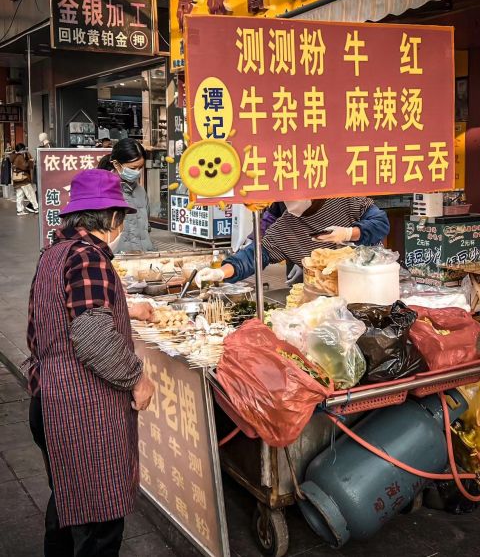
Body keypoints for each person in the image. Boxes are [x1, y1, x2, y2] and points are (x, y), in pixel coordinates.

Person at [26, 168, 155, 557]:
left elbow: (68, 315)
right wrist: (137, 379)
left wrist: (126, 309)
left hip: (49, 399)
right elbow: (91, 333)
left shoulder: (55, 252)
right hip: (82, 410)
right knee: (97, 522)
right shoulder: (89, 257)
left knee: (68, 506)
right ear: (113, 219)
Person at [196, 197, 390, 285]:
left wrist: (349, 234)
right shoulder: (285, 226)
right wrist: (221, 271)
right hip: (326, 297)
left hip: (371, 283)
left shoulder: (345, 201)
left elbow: (381, 223)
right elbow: (254, 255)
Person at [98, 138, 155, 252]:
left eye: (140, 168)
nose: (137, 172)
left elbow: (145, 226)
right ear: (116, 164)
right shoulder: (101, 190)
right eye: (133, 168)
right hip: (115, 259)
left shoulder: (140, 190)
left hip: (142, 256)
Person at [11, 143, 39, 216]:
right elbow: (25, 166)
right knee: (30, 193)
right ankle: (36, 208)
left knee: (19, 195)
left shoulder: (13, 156)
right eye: (24, 149)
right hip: (23, 179)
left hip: (16, 179)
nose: (25, 150)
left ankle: (20, 210)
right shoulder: (20, 157)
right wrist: (31, 161)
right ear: (21, 150)